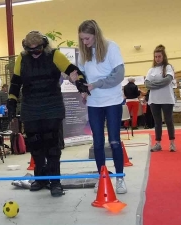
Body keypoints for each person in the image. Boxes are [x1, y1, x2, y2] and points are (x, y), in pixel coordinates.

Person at [7, 30, 89, 197]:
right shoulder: (22, 59)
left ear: (44, 46)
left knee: (52, 146)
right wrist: (11, 101)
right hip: (31, 107)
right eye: (30, 51)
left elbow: (73, 71)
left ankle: (55, 182)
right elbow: (15, 83)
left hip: (52, 106)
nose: (34, 54)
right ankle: (41, 178)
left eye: (38, 50)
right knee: (35, 145)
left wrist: (80, 83)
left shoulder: (54, 55)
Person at [77, 20, 127, 194]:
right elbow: (81, 74)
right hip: (94, 103)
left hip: (112, 101)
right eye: (82, 39)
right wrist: (81, 87)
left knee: (114, 141)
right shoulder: (83, 52)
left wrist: (96, 84)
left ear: (95, 35)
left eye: (87, 38)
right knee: (97, 142)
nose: (84, 42)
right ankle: (102, 177)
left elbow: (118, 75)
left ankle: (120, 178)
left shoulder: (111, 47)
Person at [144, 45, 176, 152]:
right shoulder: (151, 70)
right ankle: (158, 143)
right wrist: (158, 84)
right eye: (156, 57)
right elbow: (147, 84)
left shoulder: (168, 67)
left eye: (159, 56)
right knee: (157, 122)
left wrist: (155, 84)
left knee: (168, 120)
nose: (157, 58)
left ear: (163, 57)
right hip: (154, 100)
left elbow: (168, 80)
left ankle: (172, 143)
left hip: (167, 99)